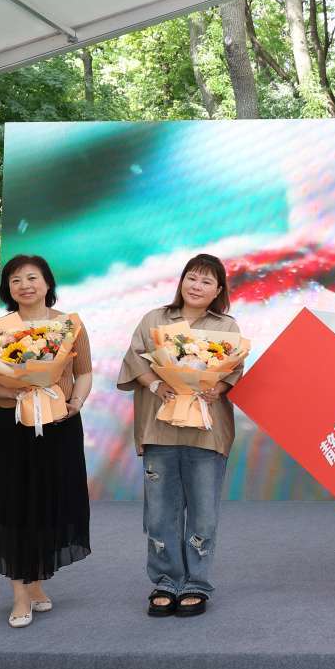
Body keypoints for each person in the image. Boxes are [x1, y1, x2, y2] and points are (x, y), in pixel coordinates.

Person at [117, 254, 244, 618]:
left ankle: (196, 583)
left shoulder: (226, 326)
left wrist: (219, 387)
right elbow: (135, 359)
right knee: (160, 512)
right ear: (181, 281)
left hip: (206, 429)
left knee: (203, 514)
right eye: (192, 278)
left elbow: (234, 368)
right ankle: (166, 581)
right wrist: (156, 384)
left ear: (218, 290)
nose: (197, 286)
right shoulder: (155, 319)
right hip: (160, 427)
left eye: (206, 281)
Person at [0, 255, 93, 628]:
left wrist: (76, 402)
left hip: (59, 422)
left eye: (32, 278)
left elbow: (84, 372)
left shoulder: (70, 325)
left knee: (48, 501)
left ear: (47, 283)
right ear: (8, 289)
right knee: (14, 504)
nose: (24, 285)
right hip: (13, 424)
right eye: (15, 280)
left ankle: (36, 581)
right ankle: (20, 594)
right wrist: (17, 388)